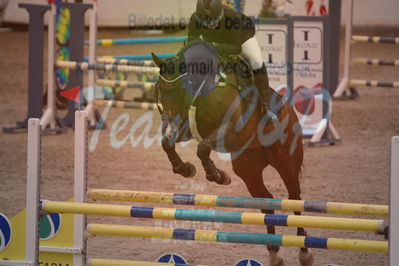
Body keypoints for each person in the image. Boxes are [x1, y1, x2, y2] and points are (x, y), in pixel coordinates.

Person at [187, 0, 272, 114]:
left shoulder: (231, 16)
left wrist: (213, 47)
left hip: (242, 37)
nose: (211, 26)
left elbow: (236, 48)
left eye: (214, 22)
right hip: (215, 41)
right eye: (207, 23)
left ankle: (265, 103)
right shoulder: (194, 19)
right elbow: (191, 44)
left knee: (256, 61)